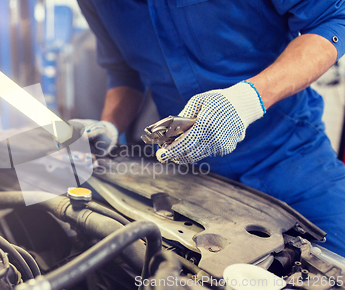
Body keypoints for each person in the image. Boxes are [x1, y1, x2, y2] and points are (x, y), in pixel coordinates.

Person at [72, 0, 345, 256]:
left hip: (291, 158)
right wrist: (109, 125)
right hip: (192, 176)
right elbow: (124, 73)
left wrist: (248, 99)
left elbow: (334, 19)